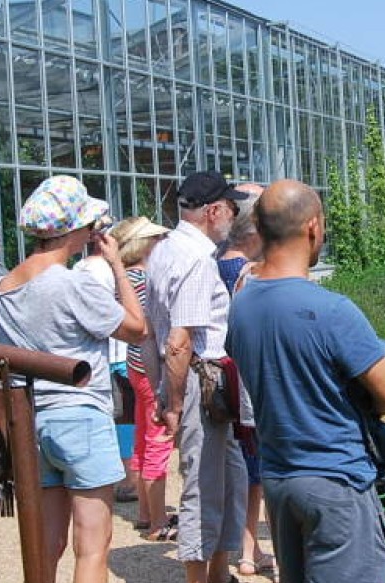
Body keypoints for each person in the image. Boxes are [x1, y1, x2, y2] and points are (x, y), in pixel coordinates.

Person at [226, 179, 385, 581]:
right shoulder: (332, 310)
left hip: (279, 479)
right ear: (313, 227)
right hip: (336, 482)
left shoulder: (242, 305)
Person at [0, 176, 147, 583]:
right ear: (76, 229)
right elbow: (136, 328)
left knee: (45, 544)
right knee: (92, 546)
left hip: (28, 421)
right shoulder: (73, 284)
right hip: (80, 416)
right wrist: (118, 268)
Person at [144, 170, 250, 583]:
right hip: (198, 381)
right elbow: (177, 340)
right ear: (214, 210)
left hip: (193, 381)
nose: (234, 217)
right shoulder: (194, 260)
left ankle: (220, 573)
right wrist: (171, 402)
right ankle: (199, 576)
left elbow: (155, 334)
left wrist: (161, 393)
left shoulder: (165, 251)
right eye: (231, 208)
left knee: (228, 476)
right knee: (204, 485)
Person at [216, 182, 274, 576]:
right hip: (251, 379)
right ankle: (275, 555)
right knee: (267, 474)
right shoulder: (251, 274)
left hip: (223, 378)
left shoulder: (213, 261)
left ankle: (248, 551)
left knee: (249, 475)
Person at [109, 217, 174, 539]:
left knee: (143, 436)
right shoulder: (143, 279)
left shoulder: (127, 278)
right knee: (158, 440)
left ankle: (147, 512)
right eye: (156, 237)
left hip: (135, 366)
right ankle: (158, 520)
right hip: (150, 368)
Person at [72, 218, 140, 506]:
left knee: (118, 416)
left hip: (105, 352)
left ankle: (124, 476)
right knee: (126, 417)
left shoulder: (80, 267)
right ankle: (128, 478)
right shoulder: (105, 269)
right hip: (117, 350)